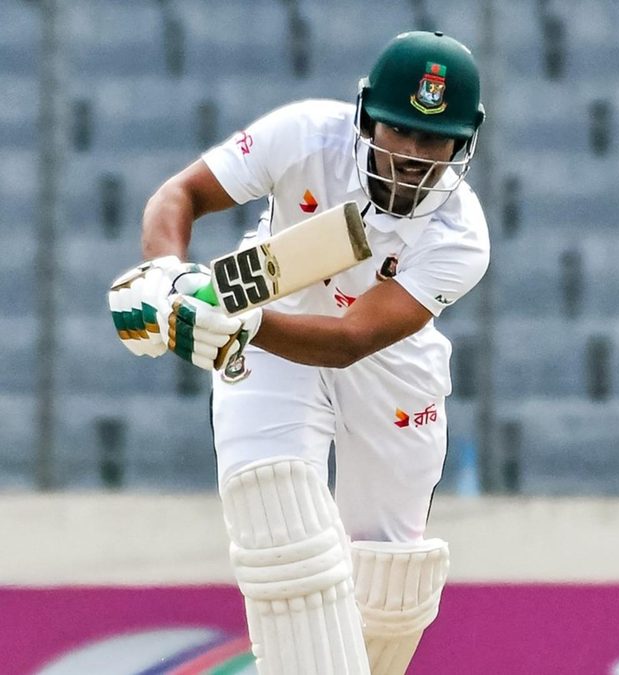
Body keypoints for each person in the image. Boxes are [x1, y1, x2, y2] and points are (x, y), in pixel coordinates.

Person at [106, 30, 488, 674]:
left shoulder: (460, 236)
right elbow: (180, 196)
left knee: (393, 587)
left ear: (462, 143)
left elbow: (351, 341)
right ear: (367, 117)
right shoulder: (306, 134)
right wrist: (164, 277)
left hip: (386, 367)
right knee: (285, 537)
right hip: (276, 327)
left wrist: (235, 320)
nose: (414, 157)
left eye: (434, 140)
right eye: (400, 132)